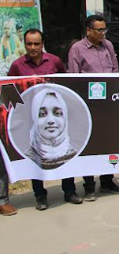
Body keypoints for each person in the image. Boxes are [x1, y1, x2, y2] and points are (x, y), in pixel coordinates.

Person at [8, 29, 82, 210]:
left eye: (36, 44)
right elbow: (10, 90)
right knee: (36, 158)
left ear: (42, 44)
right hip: (31, 118)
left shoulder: (54, 61)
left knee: (63, 154)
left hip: (55, 115)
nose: (33, 47)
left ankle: (69, 191)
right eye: (29, 44)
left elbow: (65, 84)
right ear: (24, 45)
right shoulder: (17, 65)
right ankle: (40, 196)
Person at [68, 14, 119, 200]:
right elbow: (74, 78)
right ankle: (89, 185)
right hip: (88, 105)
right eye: (99, 30)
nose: (102, 33)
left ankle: (107, 181)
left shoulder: (108, 46)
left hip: (107, 104)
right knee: (90, 145)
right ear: (88, 31)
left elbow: (115, 70)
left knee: (108, 143)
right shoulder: (77, 49)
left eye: (104, 29)